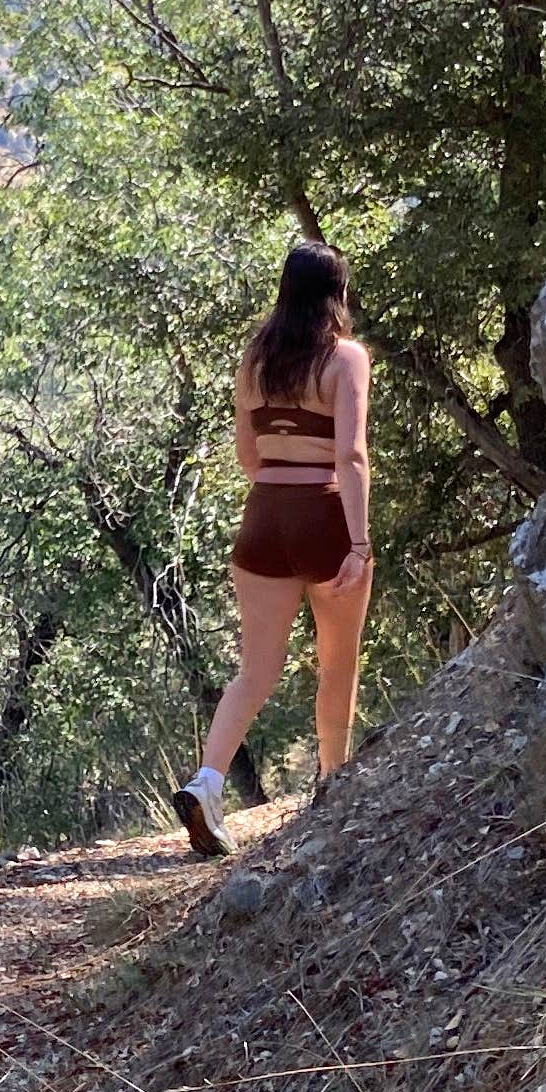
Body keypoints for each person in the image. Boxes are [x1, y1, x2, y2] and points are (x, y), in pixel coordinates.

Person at [173, 239, 373, 857]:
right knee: (337, 664)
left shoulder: (254, 361)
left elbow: (247, 457)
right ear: (336, 294)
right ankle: (332, 788)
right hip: (323, 515)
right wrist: (359, 542)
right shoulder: (346, 359)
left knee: (256, 671)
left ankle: (207, 783)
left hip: (262, 520)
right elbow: (353, 455)